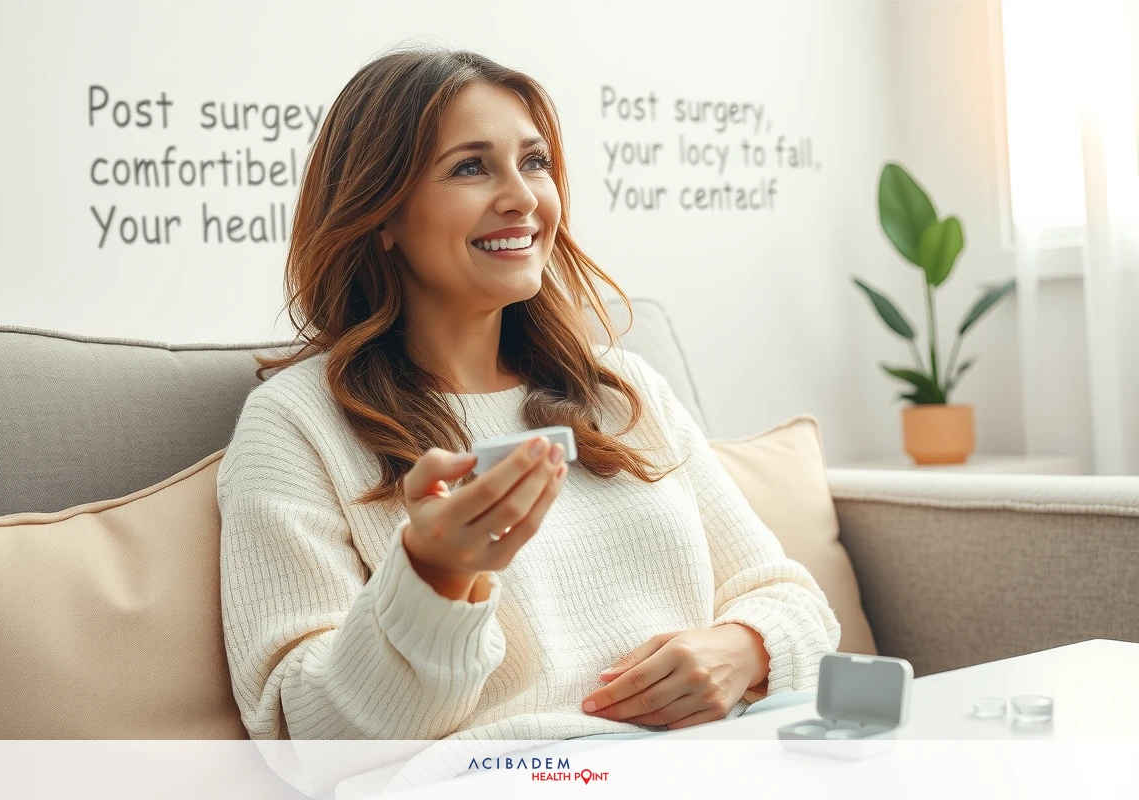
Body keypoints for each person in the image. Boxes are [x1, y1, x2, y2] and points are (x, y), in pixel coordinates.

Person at [217, 47, 840, 748]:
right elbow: (309, 736)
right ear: (381, 214)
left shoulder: (622, 389)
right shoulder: (298, 425)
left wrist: (743, 648)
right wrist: (435, 577)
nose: (523, 196)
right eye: (471, 166)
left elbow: (794, 602)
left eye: (535, 161)